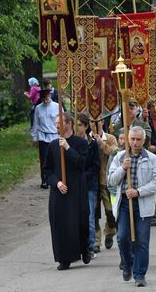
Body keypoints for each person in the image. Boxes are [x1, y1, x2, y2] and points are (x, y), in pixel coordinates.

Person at [107, 126, 156, 287]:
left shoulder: (151, 158)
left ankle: (139, 274)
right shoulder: (119, 157)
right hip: (125, 203)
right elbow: (111, 180)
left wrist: (139, 192)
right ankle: (128, 263)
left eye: (139, 139)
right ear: (128, 139)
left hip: (143, 204)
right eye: (132, 139)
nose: (135, 142)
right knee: (122, 237)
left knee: (142, 241)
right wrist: (123, 169)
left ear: (144, 141)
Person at [42, 112, 90, 270]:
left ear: (68, 124)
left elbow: (81, 163)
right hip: (59, 191)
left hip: (76, 189)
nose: (56, 126)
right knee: (60, 224)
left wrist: (68, 148)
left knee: (80, 222)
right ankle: (64, 258)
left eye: (59, 123)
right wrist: (57, 183)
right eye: (55, 123)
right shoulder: (52, 146)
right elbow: (46, 171)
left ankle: (84, 249)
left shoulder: (80, 143)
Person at [91, 118, 118, 253]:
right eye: (91, 121)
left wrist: (102, 144)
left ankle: (110, 232)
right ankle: (96, 241)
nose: (94, 123)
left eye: (97, 120)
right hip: (92, 182)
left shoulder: (110, 138)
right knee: (94, 213)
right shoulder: (86, 138)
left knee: (111, 212)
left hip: (106, 181)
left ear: (102, 122)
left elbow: (114, 152)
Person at [76, 114, 101, 259]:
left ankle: (90, 247)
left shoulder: (92, 143)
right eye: (76, 124)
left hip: (89, 185)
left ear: (86, 127)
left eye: (80, 125)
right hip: (75, 185)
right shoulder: (71, 142)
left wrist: (83, 177)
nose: (77, 128)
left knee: (90, 216)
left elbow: (96, 165)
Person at [31, 89, 60, 189]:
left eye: (47, 98)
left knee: (56, 158)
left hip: (55, 136)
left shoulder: (57, 107)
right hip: (43, 136)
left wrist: (63, 135)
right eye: (43, 99)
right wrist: (34, 137)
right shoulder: (38, 108)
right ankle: (45, 180)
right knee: (44, 159)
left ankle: (56, 180)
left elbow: (62, 121)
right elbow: (35, 123)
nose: (45, 101)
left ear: (50, 97)